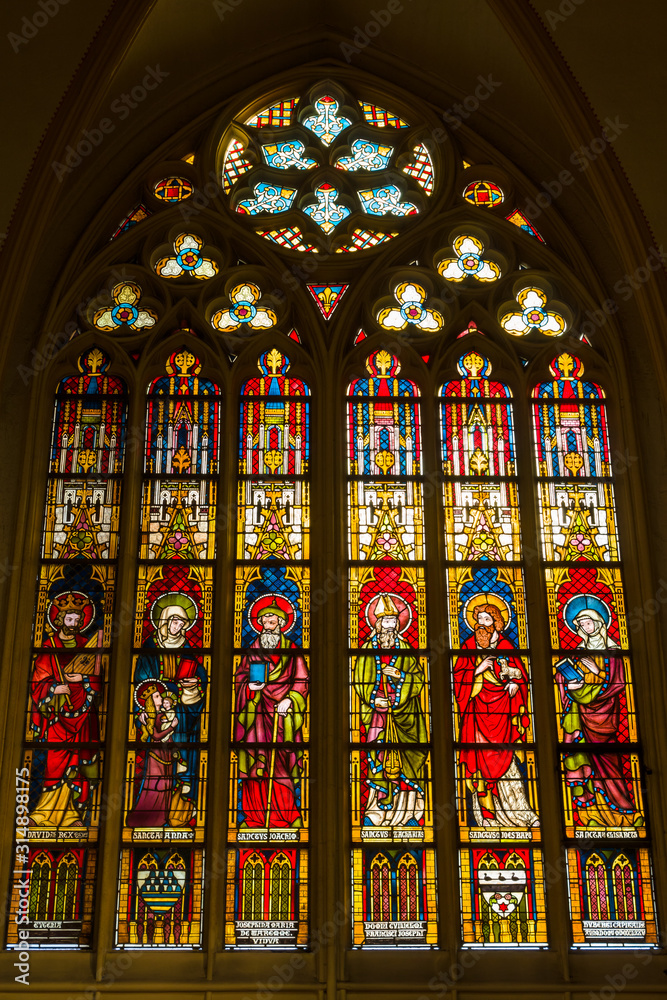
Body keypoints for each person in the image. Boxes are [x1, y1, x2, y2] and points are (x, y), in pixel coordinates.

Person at [557, 594, 642, 829]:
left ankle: (622, 811)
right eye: (581, 624)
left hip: (605, 718)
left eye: (588, 622)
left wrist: (597, 670)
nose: (585, 627)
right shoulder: (579, 651)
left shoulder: (613, 651)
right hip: (580, 715)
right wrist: (568, 684)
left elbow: (617, 684)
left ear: (599, 623)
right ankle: (590, 813)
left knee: (609, 761)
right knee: (585, 760)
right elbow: (565, 676)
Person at [453, 597, 538, 829]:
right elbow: (458, 679)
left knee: (508, 763)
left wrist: (515, 681)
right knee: (479, 763)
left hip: (503, 714)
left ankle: (520, 813)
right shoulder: (468, 647)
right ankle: (486, 818)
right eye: (478, 619)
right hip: (477, 713)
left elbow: (521, 674)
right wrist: (477, 670)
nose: (481, 623)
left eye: (487, 619)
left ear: (497, 623)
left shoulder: (506, 646)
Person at [29, 591, 103, 828]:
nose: (74, 624)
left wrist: (83, 678)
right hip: (57, 718)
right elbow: (37, 681)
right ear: (59, 620)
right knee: (56, 763)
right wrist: (54, 689)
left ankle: (71, 814)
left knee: (78, 764)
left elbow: (97, 681)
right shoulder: (49, 646)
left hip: (83, 715)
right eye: (69, 619)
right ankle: (44, 813)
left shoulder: (86, 645)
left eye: (78, 620)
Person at [353, 593, 427, 828]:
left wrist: (400, 676)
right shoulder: (366, 649)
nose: (391, 625)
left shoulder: (405, 648)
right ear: (377, 623)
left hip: (405, 716)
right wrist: (375, 701)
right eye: (386, 621)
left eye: (394, 621)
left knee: (406, 762)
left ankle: (406, 815)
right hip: (378, 717)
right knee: (379, 761)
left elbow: (418, 678)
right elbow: (359, 680)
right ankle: (376, 814)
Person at [234, 597, 309, 828]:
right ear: (259, 622)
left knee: (281, 765)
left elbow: (302, 680)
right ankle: (254, 817)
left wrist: (290, 699)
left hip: (282, 718)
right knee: (256, 764)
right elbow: (239, 679)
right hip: (255, 716)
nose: (268, 621)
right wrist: (249, 688)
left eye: (272, 618)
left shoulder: (293, 651)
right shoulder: (251, 651)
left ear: (281, 622)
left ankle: (286, 816)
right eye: (264, 618)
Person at [133, 592, 207, 825]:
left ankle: (180, 816)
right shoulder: (148, 651)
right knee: (156, 775)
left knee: (182, 773)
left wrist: (194, 690)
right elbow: (142, 686)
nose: (179, 626)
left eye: (183, 623)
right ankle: (153, 814)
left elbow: (202, 680)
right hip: (156, 722)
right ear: (164, 622)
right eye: (175, 621)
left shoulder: (189, 652)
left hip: (185, 725)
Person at [127, 682, 193, 828]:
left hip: (167, 754)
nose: (161, 698)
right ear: (150, 700)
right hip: (156, 755)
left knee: (167, 784)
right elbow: (156, 736)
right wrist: (171, 727)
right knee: (157, 784)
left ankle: (164, 816)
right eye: (157, 696)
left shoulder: (162, 714)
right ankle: (152, 817)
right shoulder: (149, 716)